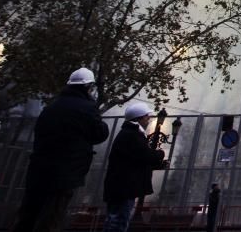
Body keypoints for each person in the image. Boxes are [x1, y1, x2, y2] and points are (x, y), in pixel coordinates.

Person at [12, 67, 110, 232]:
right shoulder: (87, 108)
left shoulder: (51, 107)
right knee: (52, 217)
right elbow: (99, 134)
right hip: (65, 172)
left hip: (38, 169)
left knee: (28, 215)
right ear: (89, 87)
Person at [101, 102, 166, 232]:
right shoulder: (133, 135)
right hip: (124, 188)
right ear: (140, 118)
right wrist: (160, 154)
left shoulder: (127, 133)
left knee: (114, 220)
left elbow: (137, 158)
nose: (149, 120)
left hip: (120, 187)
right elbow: (145, 155)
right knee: (119, 222)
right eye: (147, 117)